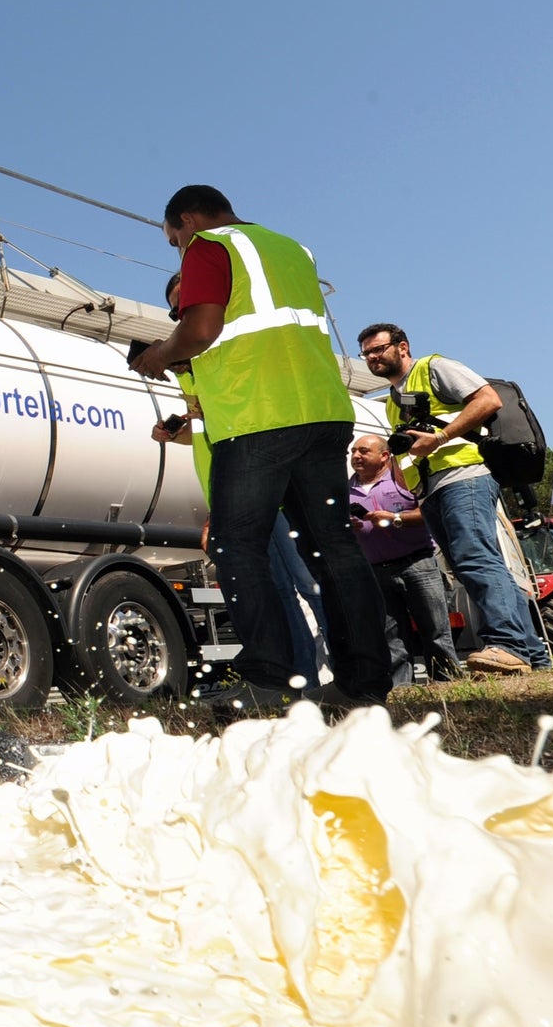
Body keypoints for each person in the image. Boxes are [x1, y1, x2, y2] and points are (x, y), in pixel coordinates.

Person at [129, 186, 391, 708]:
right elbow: (263, 328)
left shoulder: (209, 245)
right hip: (323, 412)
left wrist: (159, 354)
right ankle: (364, 685)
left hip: (256, 418)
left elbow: (202, 328)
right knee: (332, 548)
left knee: (237, 546)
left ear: (186, 219)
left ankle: (269, 679)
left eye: (174, 237)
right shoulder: (292, 249)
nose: (179, 247)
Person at [150, 274, 329, 690]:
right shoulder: (193, 368)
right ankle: (303, 683)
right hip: (240, 495)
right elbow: (216, 434)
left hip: (278, 491)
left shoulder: (244, 350)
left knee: (309, 583)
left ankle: (355, 675)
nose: (182, 316)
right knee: (279, 592)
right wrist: (180, 429)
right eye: (177, 311)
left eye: (187, 305)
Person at [358, 323, 551, 674]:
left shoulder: (433, 368)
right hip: (431, 490)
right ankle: (533, 655)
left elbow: (488, 398)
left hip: (464, 475)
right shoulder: (391, 403)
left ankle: (507, 645)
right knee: (471, 564)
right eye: (367, 353)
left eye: (378, 349)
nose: (372, 357)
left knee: (474, 557)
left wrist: (441, 436)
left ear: (402, 347)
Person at [348, 433, 460, 688]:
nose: (356, 456)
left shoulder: (403, 479)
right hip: (375, 570)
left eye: (364, 451)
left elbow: (431, 512)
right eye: (354, 451)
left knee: (435, 629)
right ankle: (401, 691)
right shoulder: (346, 489)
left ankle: (448, 685)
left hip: (418, 563)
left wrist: (396, 518)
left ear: (384, 456)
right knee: (392, 636)